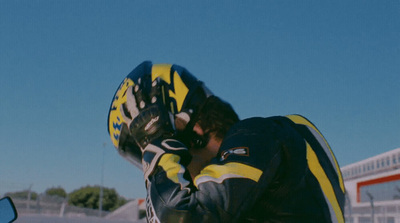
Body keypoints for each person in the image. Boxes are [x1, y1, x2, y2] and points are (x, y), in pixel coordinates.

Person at [107, 61, 345, 223]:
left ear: (190, 131)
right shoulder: (248, 188)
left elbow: (178, 217)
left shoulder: (261, 133)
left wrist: (156, 144)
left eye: (144, 153)